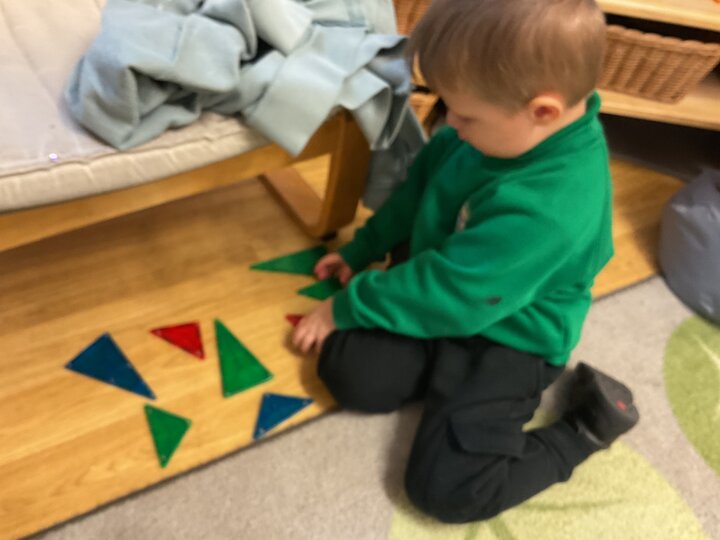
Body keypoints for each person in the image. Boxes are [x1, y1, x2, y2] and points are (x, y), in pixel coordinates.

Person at [292, 0, 639, 523]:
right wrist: (363, 249)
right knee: (351, 373)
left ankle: (584, 431)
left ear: (542, 111)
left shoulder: (551, 210)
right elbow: (416, 193)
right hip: (455, 291)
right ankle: (446, 387)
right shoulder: (488, 128)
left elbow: (452, 293)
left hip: (508, 337)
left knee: (449, 492)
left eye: (465, 114)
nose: (449, 122)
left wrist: (345, 306)